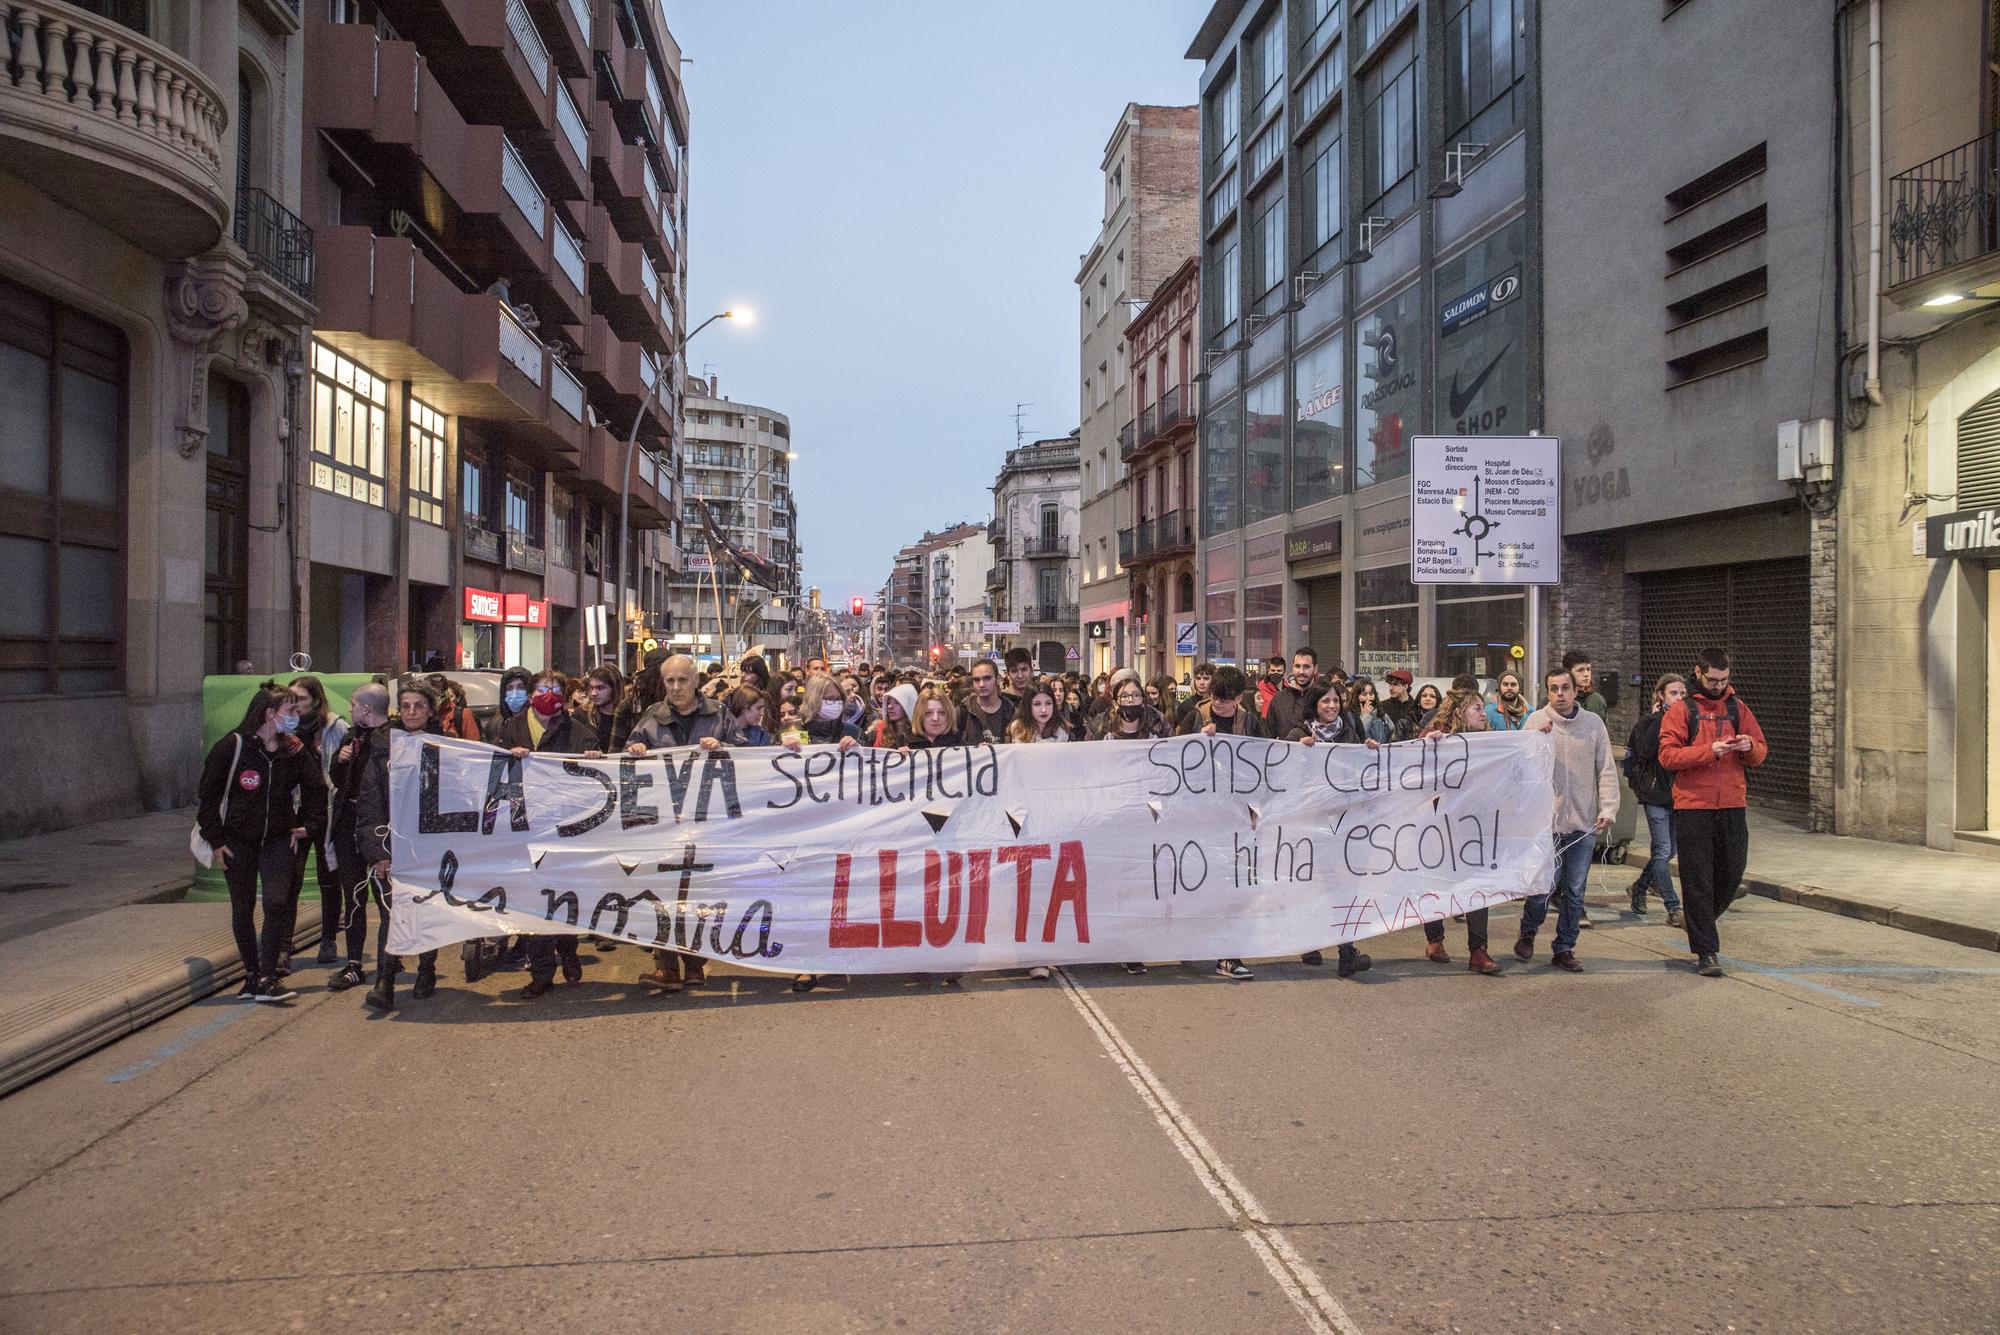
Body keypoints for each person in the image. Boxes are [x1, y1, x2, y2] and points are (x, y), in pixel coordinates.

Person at [196, 684, 328, 1003]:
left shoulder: (292, 750)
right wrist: (216, 840)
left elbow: (317, 789)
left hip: (279, 840)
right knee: (243, 907)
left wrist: (307, 826)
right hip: (237, 842)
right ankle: (252, 975)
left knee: (276, 902)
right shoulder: (232, 747)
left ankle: (268, 976)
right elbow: (208, 797)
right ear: (270, 714)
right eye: (290, 710)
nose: (296, 715)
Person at [624, 654, 737, 992]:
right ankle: (667, 966)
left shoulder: (719, 714)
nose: (675, 687)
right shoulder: (652, 716)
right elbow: (628, 750)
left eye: (682, 680)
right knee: (663, 896)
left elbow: (747, 755)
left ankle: (695, 966)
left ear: (696, 680)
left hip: (706, 822)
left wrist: (724, 746)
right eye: (669, 681)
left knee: (697, 895)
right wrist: (636, 747)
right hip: (664, 824)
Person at [1658, 648, 1768, 978]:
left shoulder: (1737, 707)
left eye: (1723, 680)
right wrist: (1710, 751)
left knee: (1732, 873)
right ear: (1699, 673)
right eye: (1712, 680)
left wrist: (1749, 747)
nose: (1718, 685)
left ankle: (1697, 922)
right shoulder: (1682, 710)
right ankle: (1707, 951)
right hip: (1694, 807)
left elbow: (1761, 751)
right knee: (1698, 880)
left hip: (1732, 804)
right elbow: (1667, 756)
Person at [492, 670, 594, 999]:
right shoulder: (511, 729)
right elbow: (495, 771)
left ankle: (568, 949)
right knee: (534, 902)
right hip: (525, 827)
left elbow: (592, 779)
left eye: (555, 689)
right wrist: (510, 759)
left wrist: (593, 759)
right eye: (541, 689)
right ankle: (541, 972)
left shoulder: (579, 732)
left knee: (562, 896)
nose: (548, 694)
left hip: (563, 828)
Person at [1513, 666, 1618, 973]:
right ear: (1547, 692)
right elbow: (1518, 768)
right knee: (1543, 889)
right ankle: (1528, 931)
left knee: (1575, 891)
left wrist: (1608, 809)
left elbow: (1606, 769)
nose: (1560, 694)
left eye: (1565, 688)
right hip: (1548, 825)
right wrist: (1535, 740)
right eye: (1554, 689)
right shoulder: (1535, 721)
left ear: (1575, 690)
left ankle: (1564, 947)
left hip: (1584, 825)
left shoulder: (1593, 724)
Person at [353, 681, 446, 1009]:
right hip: (393, 844)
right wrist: (378, 851)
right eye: (405, 706)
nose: (411, 712)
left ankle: (426, 968)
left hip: (430, 845)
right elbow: (370, 802)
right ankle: (385, 981)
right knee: (391, 912)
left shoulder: (447, 747)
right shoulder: (383, 747)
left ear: (430, 710)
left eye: (419, 706)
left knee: (427, 909)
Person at [1417, 690, 1504, 975]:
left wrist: (1538, 736)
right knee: (1436, 883)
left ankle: (1478, 950)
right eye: (1477, 708)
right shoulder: (1436, 736)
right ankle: (1435, 939)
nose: (1483, 713)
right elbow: (1414, 771)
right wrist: (1428, 744)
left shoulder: (1487, 742)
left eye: (1483, 707)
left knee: (1478, 886)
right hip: (1439, 827)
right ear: (1460, 712)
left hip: (1473, 827)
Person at [1094, 672, 1164, 977]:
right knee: (1115, 886)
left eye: (1136, 696)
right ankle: (1113, 943)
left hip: (1146, 818)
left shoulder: (1157, 731)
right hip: (1113, 817)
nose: (1131, 701)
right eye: (1125, 696)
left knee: (1140, 886)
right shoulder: (1102, 732)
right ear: (1115, 701)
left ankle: (1133, 948)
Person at [326, 683, 391, 993]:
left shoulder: (392, 740)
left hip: (380, 829)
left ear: (366, 709)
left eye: (353, 704)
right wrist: (340, 761)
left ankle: (388, 966)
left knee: (385, 899)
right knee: (352, 896)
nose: (350, 709)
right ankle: (354, 963)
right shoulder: (351, 737)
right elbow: (338, 781)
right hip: (349, 824)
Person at [284, 675, 348, 966]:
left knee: (329, 879)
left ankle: (328, 939)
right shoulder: (286, 728)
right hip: (296, 813)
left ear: (316, 700)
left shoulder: (336, 729)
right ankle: (283, 943)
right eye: (292, 699)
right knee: (289, 880)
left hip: (327, 812)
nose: (296, 705)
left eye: (301, 699)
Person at [1624, 673, 1688, 928]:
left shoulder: (1688, 721)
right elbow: (1645, 750)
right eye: (1674, 693)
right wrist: (1663, 718)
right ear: (1661, 696)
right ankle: (1673, 907)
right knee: (1662, 850)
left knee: (1670, 851)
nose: (1679, 698)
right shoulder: (1650, 722)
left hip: (1679, 795)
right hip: (1656, 795)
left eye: (1683, 693)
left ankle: (1639, 887)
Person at [1178, 665, 1254, 738]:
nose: (1217, 702)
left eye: (1224, 700)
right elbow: (1180, 744)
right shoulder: (1194, 718)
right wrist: (1198, 737)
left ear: (1238, 698)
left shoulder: (1249, 721)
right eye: (1214, 697)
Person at [1261, 647, 1319, 739]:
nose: (1301, 671)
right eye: (1297, 666)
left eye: (1306, 667)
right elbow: (1268, 737)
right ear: (1292, 667)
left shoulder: (1323, 698)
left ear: (1315, 668)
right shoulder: (1279, 699)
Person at [957, 659, 1014, 744]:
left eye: (987, 678)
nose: (981, 684)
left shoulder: (1012, 712)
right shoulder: (962, 712)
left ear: (998, 679)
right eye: (977, 680)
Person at [1007, 682, 1074, 743]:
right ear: (1028, 706)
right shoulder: (1019, 727)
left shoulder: (1061, 730)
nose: (1044, 710)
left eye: (1048, 703)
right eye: (1037, 704)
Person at [579, 665, 625, 753]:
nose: (594, 693)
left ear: (614, 689)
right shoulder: (582, 715)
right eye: (591, 688)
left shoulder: (627, 716)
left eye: (600, 688)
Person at [429, 674, 481, 742]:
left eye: (440, 692)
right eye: (433, 693)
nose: (437, 697)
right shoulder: (424, 713)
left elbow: (473, 744)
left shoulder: (462, 714)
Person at [1564, 651, 1609, 722]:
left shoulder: (1598, 700)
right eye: (1580, 670)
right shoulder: (1558, 699)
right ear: (1568, 673)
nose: (1586, 674)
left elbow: (1603, 727)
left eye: (1588, 669)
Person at [1347, 676, 1393, 743]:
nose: (1368, 698)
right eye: (1364, 694)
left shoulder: (1382, 715)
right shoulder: (1350, 716)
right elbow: (1355, 738)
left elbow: (1394, 735)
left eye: (1371, 694)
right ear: (1356, 696)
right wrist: (1365, 716)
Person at [1380, 669, 1420, 738]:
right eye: (1390, 684)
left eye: (1395, 684)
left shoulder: (1416, 707)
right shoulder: (1382, 706)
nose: (1391, 688)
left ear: (1405, 686)